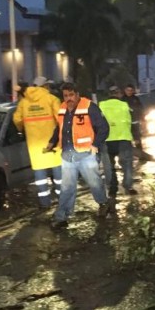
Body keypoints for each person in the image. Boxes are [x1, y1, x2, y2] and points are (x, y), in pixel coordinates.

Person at [45, 82, 112, 229]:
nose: (68, 98)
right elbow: (59, 128)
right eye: (65, 96)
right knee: (67, 187)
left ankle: (103, 203)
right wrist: (52, 142)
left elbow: (103, 128)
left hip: (86, 154)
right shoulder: (62, 108)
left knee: (94, 183)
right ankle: (62, 216)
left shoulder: (89, 107)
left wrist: (95, 144)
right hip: (68, 155)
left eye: (71, 95)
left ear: (77, 94)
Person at [13, 76, 62, 208]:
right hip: (52, 141)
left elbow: (17, 119)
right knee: (57, 167)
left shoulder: (24, 102)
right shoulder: (51, 99)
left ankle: (44, 202)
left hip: (34, 142)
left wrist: (22, 129)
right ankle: (61, 198)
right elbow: (61, 119)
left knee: (39, 170)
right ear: (45, 86)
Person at [99, 85, 136, 198]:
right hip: (123, 138)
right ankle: (128, 185)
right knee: (127, 164)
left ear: (109, 94)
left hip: (107, 139)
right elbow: (130, 121)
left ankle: (112, 188)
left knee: (108, 166)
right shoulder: (124, 105)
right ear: (119, 94)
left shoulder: (101, 105)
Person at [122, 84, 143, 149]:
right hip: (125, 123)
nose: (129, 92)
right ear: (125, 90)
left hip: (135, 122)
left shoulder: (136, 99)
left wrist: (140, 117)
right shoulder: (122, 99)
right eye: (128, 90)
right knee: (127, 140)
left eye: (131, 90)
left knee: (137, 139)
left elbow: (140, 108)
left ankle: (140, 154)